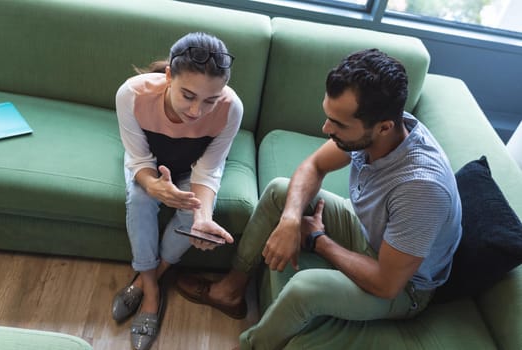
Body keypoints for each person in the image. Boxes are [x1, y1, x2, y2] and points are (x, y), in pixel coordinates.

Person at [176, 48, 462, 349]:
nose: (326, 129)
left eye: (338, 124)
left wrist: (319, 240)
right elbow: (314, 166)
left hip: (404, 287)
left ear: (383, 128)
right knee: (279, 191)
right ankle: (230, 290)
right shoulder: (388, 126)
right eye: (329, 117)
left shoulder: (421, 189)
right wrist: (289, 221)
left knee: (304, 287)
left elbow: (386, 283)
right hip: (369, 234)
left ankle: (250, 345)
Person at [112, 32, 242, 350]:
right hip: (151, 164)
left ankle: (150, 276)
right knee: (141, 199)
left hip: (194, 168)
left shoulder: (231, 108)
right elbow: (138, 158)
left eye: (210, 100)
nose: (197, 111)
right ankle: (152, 295)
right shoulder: (132, 94)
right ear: (168, 75)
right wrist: (152, 183)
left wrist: (203, 216)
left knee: (194, 213)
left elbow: (208, 170)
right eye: (188, 95)